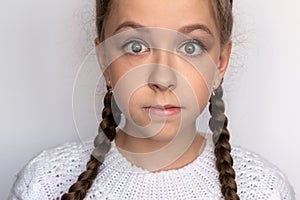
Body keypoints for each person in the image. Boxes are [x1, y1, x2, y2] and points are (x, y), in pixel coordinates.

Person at [9, 0, 295, 199]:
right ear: (105, 60)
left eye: (190, 46)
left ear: (220, 63)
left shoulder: (265, 190)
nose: (162, 78)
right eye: (136, 46)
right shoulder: (43, 183)